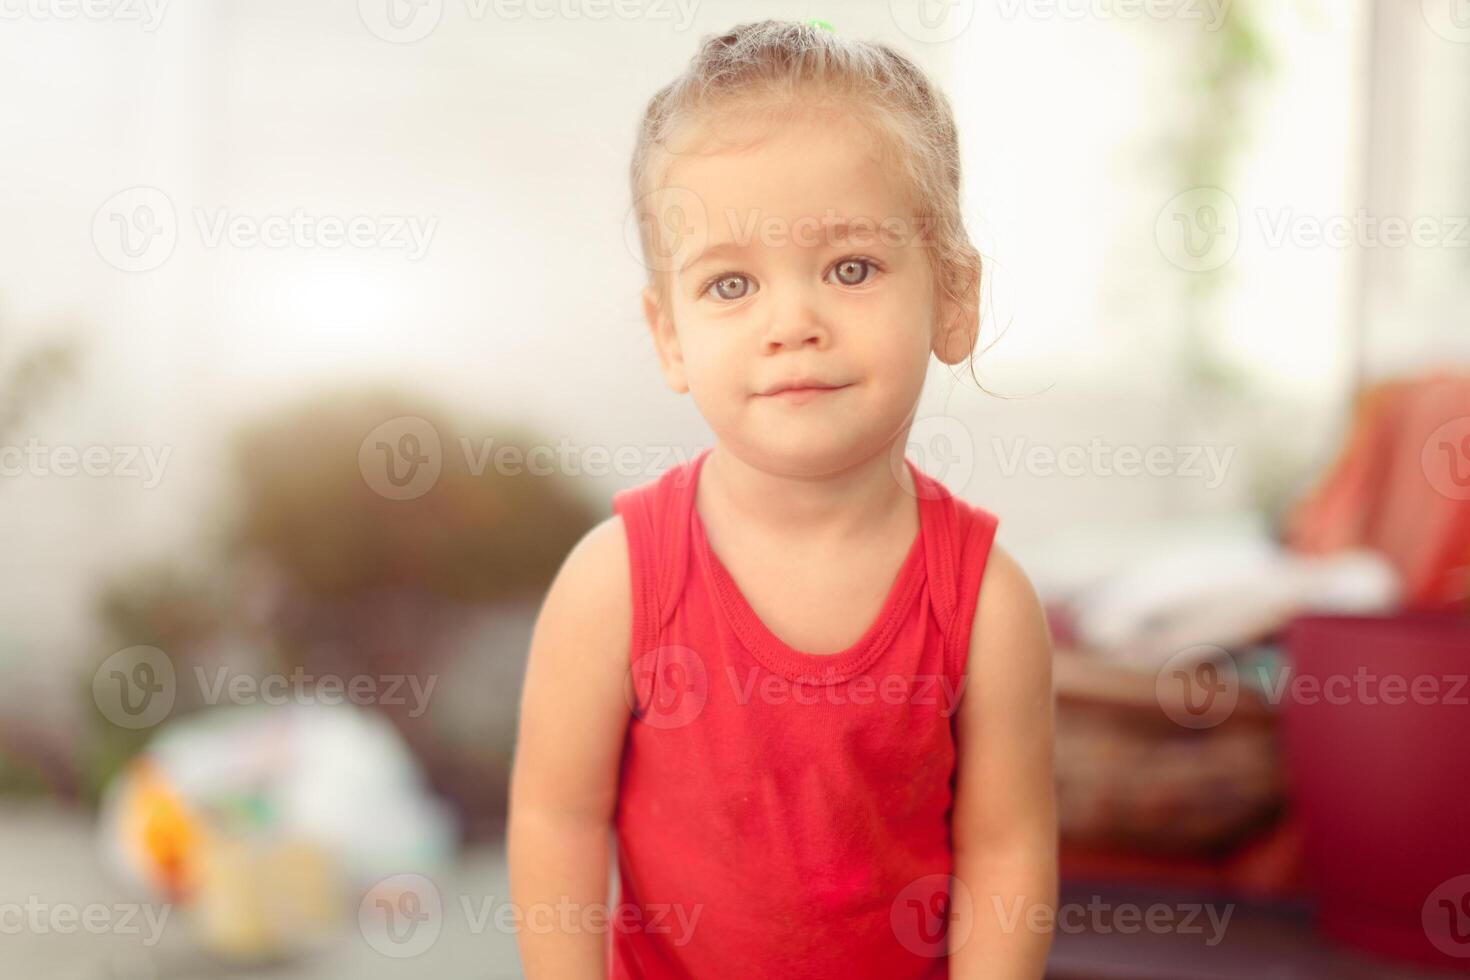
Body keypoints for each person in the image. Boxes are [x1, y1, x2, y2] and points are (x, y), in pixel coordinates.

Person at [509, 19, 1056, 979]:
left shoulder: (986, 605)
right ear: (669, 334)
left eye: (852, 268)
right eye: (730, 284)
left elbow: (1006, 851)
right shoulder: (616, 583)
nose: (792, 322)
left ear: (955, 297)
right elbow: (557, 817)